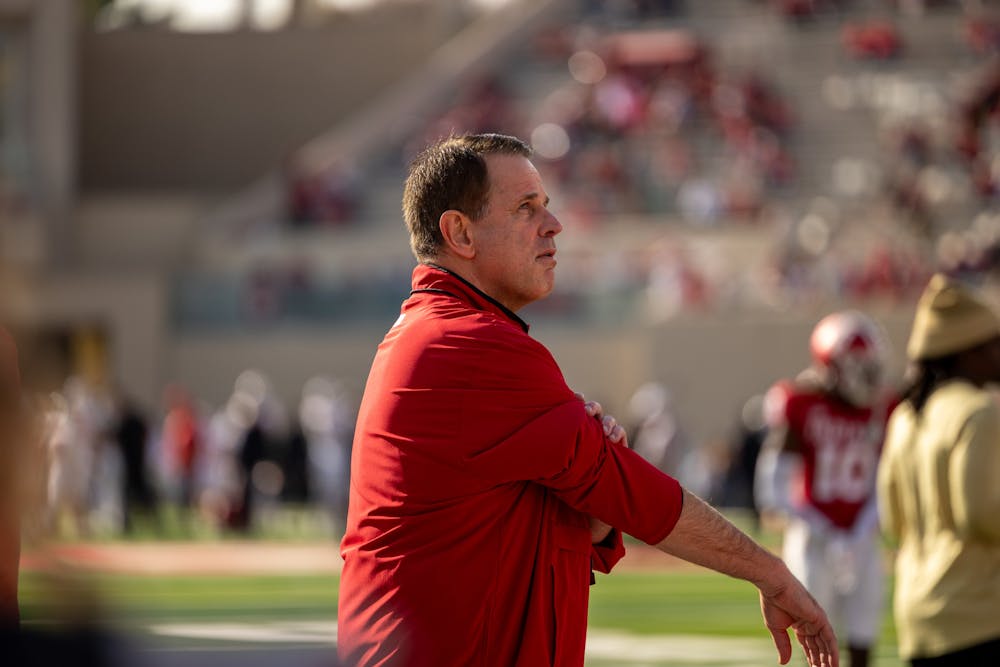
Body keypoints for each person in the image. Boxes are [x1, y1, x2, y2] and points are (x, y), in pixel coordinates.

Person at [337, 133, 839, 667]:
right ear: (460, 232)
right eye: (526, 209)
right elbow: (634, 492)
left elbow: (557, 522)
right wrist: (772, 573)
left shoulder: (450, 333)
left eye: (546, 207)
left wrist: (592, 508)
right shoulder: (470, 343)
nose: (553, 226)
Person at [755, 310, 895, 667]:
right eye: (858, 365)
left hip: (861, 537)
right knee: (816, 638)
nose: (869, 374)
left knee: (864, 635)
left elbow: (886, 477)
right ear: (830, 365)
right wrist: (822, 527)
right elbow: (772, 485)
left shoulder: (883, 409)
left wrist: (863, 526)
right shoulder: (802, 402)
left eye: (871, 364)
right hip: (813, 538)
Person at [877, 273, 1000, 666]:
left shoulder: (905, 418)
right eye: (992, 344)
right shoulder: (980, 413)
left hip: (916, 614)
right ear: (965, 350)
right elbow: (980, 515)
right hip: (979, 615)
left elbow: (891, 521)